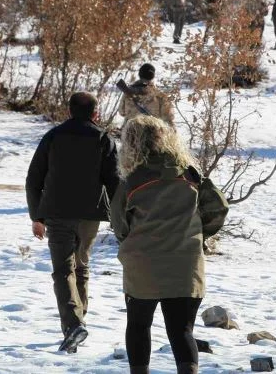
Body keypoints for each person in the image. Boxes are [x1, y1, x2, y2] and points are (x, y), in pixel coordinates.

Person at [110, 115, 225, 374]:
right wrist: (197, 233)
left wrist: (132, 239)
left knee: (139, 326)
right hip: (186, 262)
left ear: (131, 143)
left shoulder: (131, 181)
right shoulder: (191, 175)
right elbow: (219, 207)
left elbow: (119, 223)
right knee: (182, 330)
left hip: (142, 263)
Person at [25, 92, 119, 353]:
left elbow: (34, 179)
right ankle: (78, 323)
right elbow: (114, 181)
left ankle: (73, 325)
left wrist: (37, 216)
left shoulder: (53, 137)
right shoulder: (103, 139)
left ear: (69, 111)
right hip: (90, 214)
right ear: (95, 113)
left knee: (63, 270)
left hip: (57, 213)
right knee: (81, 266)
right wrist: (121, 217)